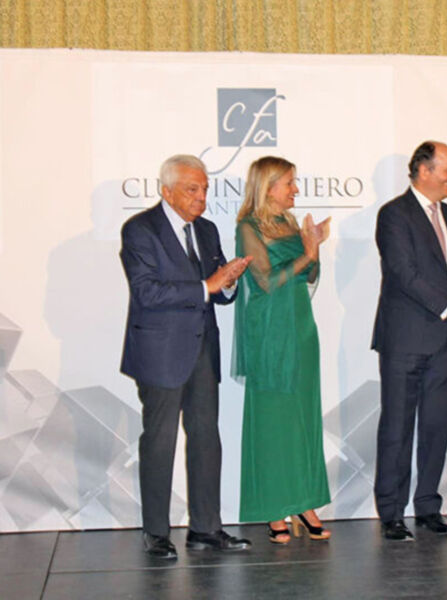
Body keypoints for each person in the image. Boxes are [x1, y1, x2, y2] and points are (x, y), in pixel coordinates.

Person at [120, 154, 253, 559]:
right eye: (192, 189)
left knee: (206, 439)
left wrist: (229, 282)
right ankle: (156, 533)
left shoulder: (208, 230)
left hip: (201, 350)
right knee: (159, 443)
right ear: (166, 191)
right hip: (159, 352)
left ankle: (206, 528)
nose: (202, 197)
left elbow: (217, 291)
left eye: (205, 189)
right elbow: (147, 292)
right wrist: (207, 285)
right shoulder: (140, 229)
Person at [372, 141, 447, 541]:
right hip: (405, 339)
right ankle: (390, 512)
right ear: (424, 170)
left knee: (437, 427)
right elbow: (405, 276)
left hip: (446, 340)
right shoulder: (394, 215)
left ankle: (427, 508)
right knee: (397, 427)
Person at [232, 156, 332, 544]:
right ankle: (274, 508)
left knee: (304, 417)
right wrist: (306, 253)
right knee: (274, 418)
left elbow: (309, 276)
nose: (295, 189)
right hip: (270, 331)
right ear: (268, 186)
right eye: (289, 183)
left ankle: (305, 502)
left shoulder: (289, 223)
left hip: (301, 326)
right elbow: (264, 281)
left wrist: (314, 249)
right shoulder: (248, 227)